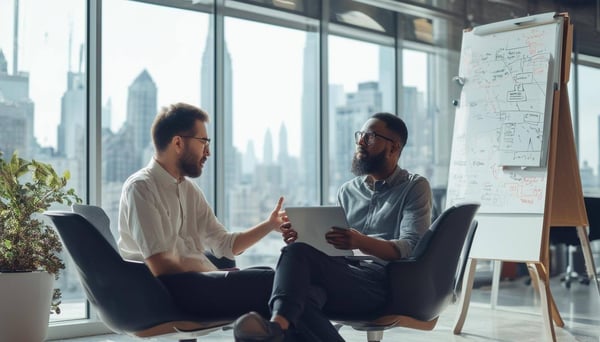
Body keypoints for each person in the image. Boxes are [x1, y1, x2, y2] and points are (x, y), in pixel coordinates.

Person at [233, 112, 432, 342]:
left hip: (381, 282)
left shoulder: (414, 187)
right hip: (343, 274)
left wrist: (360, 242)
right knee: (301, 295)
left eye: (370, 137)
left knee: (295, 281)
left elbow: (411, 247)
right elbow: (333, 247)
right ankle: (277, 329)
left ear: (394, 147)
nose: (360, 142)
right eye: (360, 135)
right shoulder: (348, 191)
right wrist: (305, 237)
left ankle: (276, 327)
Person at [118, 102, 285, 318]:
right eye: (203, 142)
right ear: (178, 142)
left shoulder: (189, 190)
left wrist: (270, 225)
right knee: (273, 284)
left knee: (277, 279)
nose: (208, 152)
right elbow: (161, 264)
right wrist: (216, 275)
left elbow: (225, 245)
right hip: (165, 293)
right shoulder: (141, 188)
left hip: (197, 284)